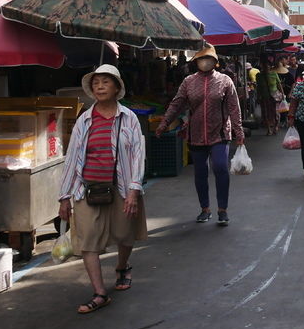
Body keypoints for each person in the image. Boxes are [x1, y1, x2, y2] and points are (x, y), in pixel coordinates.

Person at [58, 65, 147, 314]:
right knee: (88, 241)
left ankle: (122, 266)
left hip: (121, 188)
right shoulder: (84, 119)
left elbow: (138, 156)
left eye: (105, 82)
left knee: (124, 234)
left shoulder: (128, 117)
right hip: (86, 188)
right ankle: (99, 293)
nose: (99, 87)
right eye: (96, 83)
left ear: (116, 88)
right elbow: (72, 156)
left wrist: (133, 191)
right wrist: (64, 196)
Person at [156, 45, 243, 226]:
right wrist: (164, 123)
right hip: (196, 133)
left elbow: (234, 108)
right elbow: (176, 104)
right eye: (202, 59)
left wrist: (238, 131)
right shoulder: (188, 82)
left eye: (209, 59)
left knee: (220, 167)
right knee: (200, 172)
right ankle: (205, 209)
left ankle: (222, 209)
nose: (205, 62)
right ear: (196, 62)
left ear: (215, 61)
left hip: (220, 133)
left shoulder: (225, 81)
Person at [255, 54, 283, 135]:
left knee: (276, 113)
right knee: (266, 114)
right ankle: (269, 129)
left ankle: (275, 126)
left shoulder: (274, 74)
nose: (266, 67)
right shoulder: (259, 75)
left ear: (270, 66)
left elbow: (279, 84)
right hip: (264, 97)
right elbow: (258, 87)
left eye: (267, 65)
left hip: (274, 97)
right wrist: (258, 97)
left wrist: (283, 94)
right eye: (264, 65)